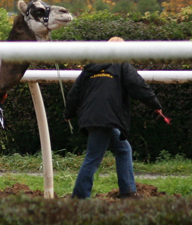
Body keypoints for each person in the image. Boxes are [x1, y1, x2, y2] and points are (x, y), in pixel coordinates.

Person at [64, 37, 164, 199]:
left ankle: (128, 191)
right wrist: (155, 105)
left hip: (95, 118)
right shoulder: (122, 65)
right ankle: (80, 196)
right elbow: (138, 86)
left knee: (124, 149)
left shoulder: (90, 68)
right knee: (93, 157)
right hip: (106, 118)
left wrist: (68, 113)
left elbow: (74, 93)